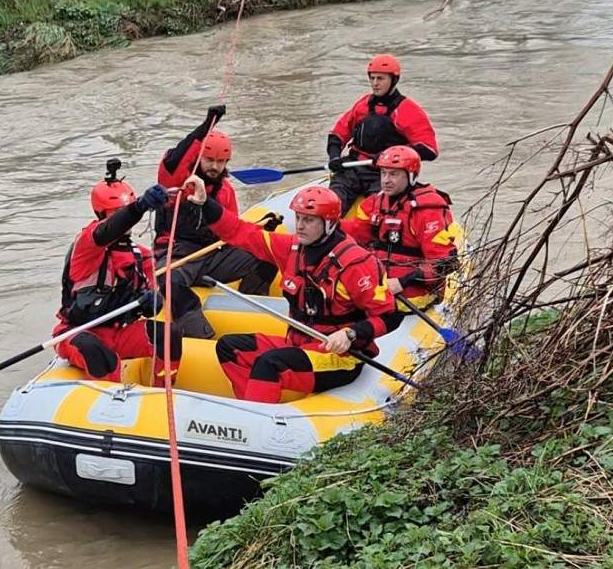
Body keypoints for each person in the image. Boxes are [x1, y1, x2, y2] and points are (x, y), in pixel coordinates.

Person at [185, 177, 403, 403]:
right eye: (298, 218)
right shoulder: (291, 249)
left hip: (339, 356)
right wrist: (205, 203)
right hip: (299, 345)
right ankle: (249, 408)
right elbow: (239, 233)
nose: (299, 225)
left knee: (269, 363)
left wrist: (351, 334)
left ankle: (260, 419)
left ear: (329, 223)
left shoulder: (356, 264)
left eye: (308, 220)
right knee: (230, 347)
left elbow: (390, 316)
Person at [154, 105, 281, 339]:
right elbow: (175, 159)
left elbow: (233, 230)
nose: (215, 167)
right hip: (177, 255)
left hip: (213, 254)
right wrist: (207, 125)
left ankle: (250, 307)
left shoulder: (226, 190)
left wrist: (260, 228)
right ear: (199, 157)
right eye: (210, 160)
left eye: (221, 162)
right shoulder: (179, 181)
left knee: (266, 254)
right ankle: (202, 335)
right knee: (170, 282)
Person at [54, 158, 183, 385]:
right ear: (103, 213)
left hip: (119, 333)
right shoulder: (87, 244)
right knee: (96, 352)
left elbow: (155, 305)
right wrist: (139, 207)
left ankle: (162, 392)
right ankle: (109, 408)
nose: (125, 221)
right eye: (117, 213)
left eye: (123, 212)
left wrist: (153, 301)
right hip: (79, 331)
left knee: (168, 334)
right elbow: (108, 231)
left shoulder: (141, 254)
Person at [340, 146, 458, 309]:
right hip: (376, 287)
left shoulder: (428, 210)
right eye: (383, 173)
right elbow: (358, 232)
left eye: (393, 174)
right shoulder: (375, 202)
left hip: (412, 293)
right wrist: (325, 224)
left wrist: (401, 283)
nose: (386, 180)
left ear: (411, 176)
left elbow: (446, 262)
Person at [327, 54, 440, 215]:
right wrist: (334, 157)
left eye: (380, 78)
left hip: (385, 174)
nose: (375, 83)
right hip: (353, 168)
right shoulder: (363, 104)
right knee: (331, 204)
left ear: (393, 80)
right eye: (372, 78)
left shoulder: (407, 110)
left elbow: (429, 149)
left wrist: (388, 157)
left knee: (378, 212)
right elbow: (337, 134)